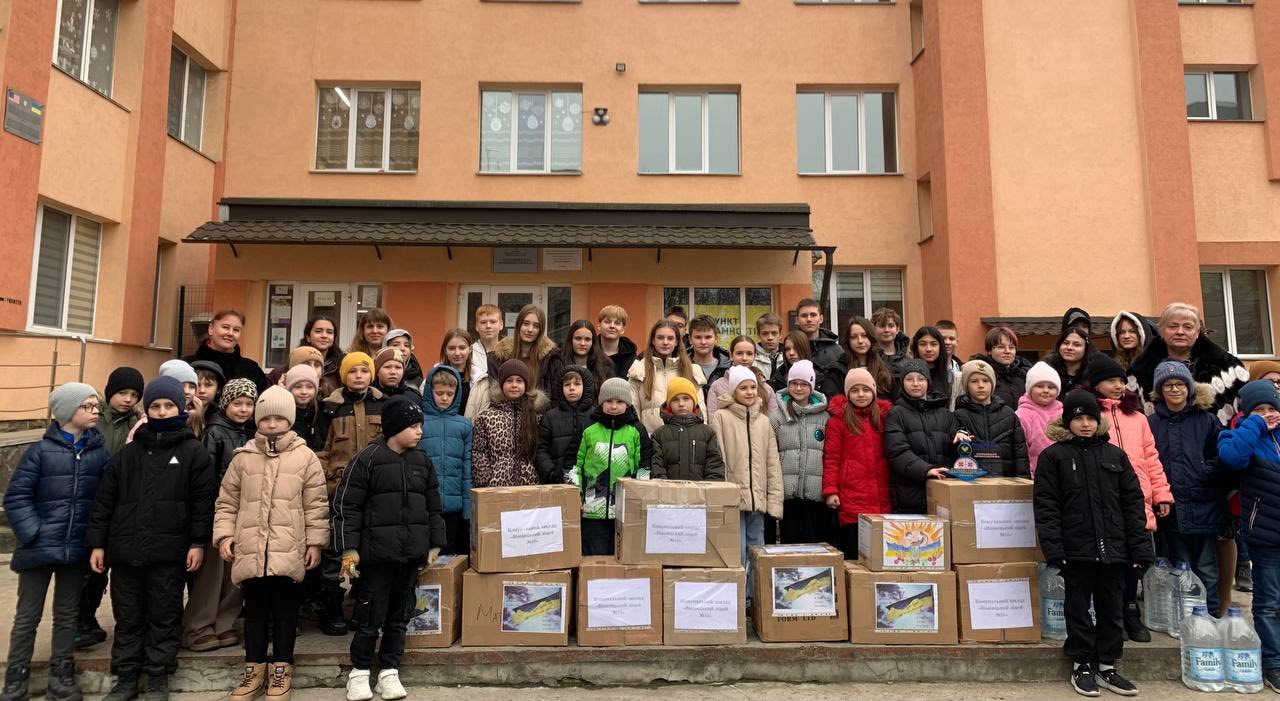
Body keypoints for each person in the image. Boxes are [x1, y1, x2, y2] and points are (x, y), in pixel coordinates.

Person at [87, 376, 216, 701]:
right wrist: (98, 543)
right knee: (128, 616)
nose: (161, 411)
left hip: (169, 553)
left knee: (164, 614)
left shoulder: (194, 453)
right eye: (155, 405)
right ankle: (126, 677)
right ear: (147, 409)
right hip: (126, 551)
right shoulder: (128, 454)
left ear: (180, 408)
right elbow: (105, 501)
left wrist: (197, 542)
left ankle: (158, 675)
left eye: (168, 405)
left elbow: (203, 504)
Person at [1034, 390, 1153, 698]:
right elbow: (1047, 507)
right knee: (1078, 610)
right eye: (1078, 419)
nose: (1085, 424)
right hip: (1076, 550)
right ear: (1067, 422)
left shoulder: (1115, 455)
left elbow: (1133, 504)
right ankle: (1082, 664)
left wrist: (1140, 548)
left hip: (1115, 549)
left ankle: (1108, 665)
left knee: (1112, 609)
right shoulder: (1054, 457)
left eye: (1090, 418)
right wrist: (1054, 549)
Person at [215, 386, 328, 701]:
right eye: (266, 419)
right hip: (251, 550)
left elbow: (316, 505)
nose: (272, 424)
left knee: (285, 614)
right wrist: (225, 535)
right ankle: (253, 669)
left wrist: (315, 543)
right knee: (254, 613)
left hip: (289, 551)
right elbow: (227, 502)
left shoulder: (305, 458)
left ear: (290, 420)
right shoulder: (243, 458)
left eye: (279, 418)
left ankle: (281, 669)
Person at [334, 396, 446, 701]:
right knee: (370, 616)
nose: (419, 431)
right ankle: (359, 673)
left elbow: (433, 506)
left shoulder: (421, 461)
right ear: (394, 427)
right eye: (413, 426)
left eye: (421, 425)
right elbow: (347, 507)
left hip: (409, 557)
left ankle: (389, 671)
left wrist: (434, 544)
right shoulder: (367, 459)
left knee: (400, 616)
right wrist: (349, 549)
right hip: (376, 558)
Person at [3, 383, 108, 701]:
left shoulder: (98, 453)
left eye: (96, 406)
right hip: (38, 549)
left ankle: (61, 676)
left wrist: (92, 538)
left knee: (66, 615)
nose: (95, 411)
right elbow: (16, 497)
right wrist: (34, 533)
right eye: (87, 406)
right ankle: (15, 679)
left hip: (76, 549)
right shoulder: (40, 452)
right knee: (27, 616)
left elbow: (104, 499)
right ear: (67, 411)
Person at [1090, 353, 1172, 642]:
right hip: (1105, 500)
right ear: (1096, 384)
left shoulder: (1138, 418)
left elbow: (1151, 458)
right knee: (1110, 562)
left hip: (1139, 499)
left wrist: (1161, 493)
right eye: (1111, 381)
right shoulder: (1091, 417)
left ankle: (1130, 609)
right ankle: (1111, 613)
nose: (1118, 386)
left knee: (1135, 560)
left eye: (1121, 381)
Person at [313, 351, 385, 636]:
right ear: (344, 376)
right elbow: (321, 452)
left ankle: (360, 608)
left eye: (364, 371)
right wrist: (325, 485)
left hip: (372, 492)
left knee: (366, 553)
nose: (359, 376)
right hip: (338, 492)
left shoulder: (382, 403)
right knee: (334, 552)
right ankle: (331, 609)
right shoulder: (330, 408)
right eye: (353, 371)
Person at [184, 379, 257, 652]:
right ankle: (198, 627)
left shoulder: (250, 433)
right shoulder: (214, 432)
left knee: (234, 574)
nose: (243, 409)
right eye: (237, 403)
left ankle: (224, 624)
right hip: (219, 513)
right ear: (226, 404)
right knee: (211, 577)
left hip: (243, 514)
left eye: (248, 404)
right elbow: (205, 478)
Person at [1149, 360, 1225, 616]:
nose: (1174, 389)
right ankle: (1183, 618)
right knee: (1180, 567)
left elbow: (1220, 455)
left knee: (1207, 567)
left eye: (1180, 384)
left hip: (1204, 504)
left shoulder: (1208, 420)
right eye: (1168, 385)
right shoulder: (1152, 423)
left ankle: (1211, 616)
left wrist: (1204, 471)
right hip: (1170, 509)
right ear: (1160, 391)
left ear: (1189, 388)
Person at [1218, 380, 1280, 692]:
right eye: (1259, 410)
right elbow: (1233, 458)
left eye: (1272, 408)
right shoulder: (1236, 435)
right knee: (1269, 603)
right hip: (1265, 534)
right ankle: (1274, 663)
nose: (1267, 414)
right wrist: (1254, 425)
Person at [80, 368, 143, 648]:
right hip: (90, 499)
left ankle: (88, 616)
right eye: (122, 393)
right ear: (110, 393)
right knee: (85, 567)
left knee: (102, 569)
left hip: (120, 505)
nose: (128, 399)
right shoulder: (95, 419)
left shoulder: (137, 423)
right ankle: (78, 618)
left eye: (134, 394)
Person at [710, 366, 782, 600]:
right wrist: (721, 493)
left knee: (756, 547)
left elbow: (772, 462)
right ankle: (737, 598)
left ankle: (754, 598)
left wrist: (774, 500)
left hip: (757, 497)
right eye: (743, 388)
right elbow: (718, 457)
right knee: (736, 549)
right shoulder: (721, 417)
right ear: (734, 391)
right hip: (732, 497)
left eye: (753, 387)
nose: (749, 392)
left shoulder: (764, 422)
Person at [1130, 302, 1249, 425]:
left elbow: (1246, 411)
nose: (1180, 332)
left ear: (1197, 333)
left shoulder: (1226, 366)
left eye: (1187, 327)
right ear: (1162, 331)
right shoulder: (1140, 369)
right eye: (1173, 326)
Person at [572, 378, 652, 556]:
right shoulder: (588, 429)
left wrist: (638, 497)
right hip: (592, 510)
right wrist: (576, 494)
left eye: (619, 402)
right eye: (608, 401)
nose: (613, 406)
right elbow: (573, 465)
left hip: (625, 510)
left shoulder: (637, 430)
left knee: (624, 559)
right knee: (595, 560)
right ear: (601, 402)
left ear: (628, 404)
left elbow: (644, 467)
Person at [822, 368, 892, 560]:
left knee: (881, 555)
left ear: (874, 392)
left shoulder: (885, 417)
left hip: (882, 496)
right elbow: (832, 458)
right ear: (847, 393)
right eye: (855, 390)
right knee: (854, 554)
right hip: (851, 497)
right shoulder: (838, 421)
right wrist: (831, 491)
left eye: (866, 389)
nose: (861, 394)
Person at [770, 360, 832, 544]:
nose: (798, 388)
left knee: (815, 542)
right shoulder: (777, 417)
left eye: (804, 384)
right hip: (788, 494)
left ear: (811, 386)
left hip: (816, 494)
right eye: (794, 383)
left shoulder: (824, 417)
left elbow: (829, 455)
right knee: (790, 543)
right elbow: (771, 455)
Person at [884, 359, 958, 515]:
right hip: (908, 492)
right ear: (902, 383)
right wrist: (926, 470)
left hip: (943, 488)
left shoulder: (945, 414)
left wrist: (961, 441)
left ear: (928, 382)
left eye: (921, 379)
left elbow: (954, 451)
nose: (915, 384)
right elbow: (897, 452)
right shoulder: (896, 413)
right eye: (909, 379)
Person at [419, 365, 473, 556]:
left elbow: (467, 468)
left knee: (451, 556)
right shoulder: (419, 423)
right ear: (429, 391)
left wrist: (468, 506)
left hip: (454, 507)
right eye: (439, 393)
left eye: (449, 394)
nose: (444, 398)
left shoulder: (464, 425)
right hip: (425, 506)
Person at [472, 360, 548, 487]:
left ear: (526, 384)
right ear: (502, 384)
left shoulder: (536, 418)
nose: (514, 385)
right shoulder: (486, 417)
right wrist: (486, 481)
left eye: (519, 381)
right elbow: (479, 452)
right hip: (497, 488)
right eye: (509, 381)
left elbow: (542, 453)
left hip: (530, 487)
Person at [628, 321, 708, 434]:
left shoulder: (691, 370)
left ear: (676, 342)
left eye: (670, 338)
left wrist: (701, 437)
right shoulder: (639, 371)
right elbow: (633, 411)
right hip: (649, 440)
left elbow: (700, 412)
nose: (665, 342)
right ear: (653, 340)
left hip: (685, 439)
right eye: (660, 338)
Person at [952, 360, 1028, 477]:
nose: (981, 385)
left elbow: (1020, 453)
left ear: (992, 383)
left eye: (986, 380)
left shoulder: (1008, 414)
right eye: (974, 381)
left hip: (1005, 482)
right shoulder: (958, 416)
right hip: (970, 482)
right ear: (966, 385)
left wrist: (1023, 480)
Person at [650, 377, 724, 481]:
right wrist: (665, 487)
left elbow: (715, 467)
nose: (681, 404)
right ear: (669, 404)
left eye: (686, 398)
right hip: (668, 491)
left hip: (701, 491)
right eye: (675, 399)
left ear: (694, 401)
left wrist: (708, 489)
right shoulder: (659, 435)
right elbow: (657, 468)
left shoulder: (708, 433)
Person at [536, 366, 597, 485]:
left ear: (586, 386)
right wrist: (551, 472)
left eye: (577, 384)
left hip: (590, 482)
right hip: (557, 482)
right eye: (567, 384)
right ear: (561, 388)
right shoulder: (550, 417)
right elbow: (541, 448)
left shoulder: (595, 416)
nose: (572, 388)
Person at [184, 309, 268, 392]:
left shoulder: (251, 369)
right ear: (211, 329)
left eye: (236, 330)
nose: (230, 333)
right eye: (225, 327)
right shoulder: (188, 365)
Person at [491, 305, 563, 396]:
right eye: (526, 324)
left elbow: (556, 396)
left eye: (536, 326)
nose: (530, 329)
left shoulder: (552, 360)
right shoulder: (498, 358)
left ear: (541, 330)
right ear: (518, 325)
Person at [819, 317, 893, 402]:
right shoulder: (837, 371)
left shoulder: (885, 366)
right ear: (848, 340)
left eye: (864, 336)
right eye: (854, 337)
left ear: (871, 337)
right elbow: (833, 402)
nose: (860, 341)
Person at [706, 335, 779, 416]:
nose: (744, 358)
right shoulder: (717, 386)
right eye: (739, 353)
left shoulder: (766, 388)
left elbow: (773, 420)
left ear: (755, 356)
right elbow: (713, 420)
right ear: (731, 356)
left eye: (749, 354)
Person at [1016, 362, 1063, 476]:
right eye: (1040, 386)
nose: (1046, 390)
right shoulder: (1021, 415)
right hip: (1036, 475)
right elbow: (1021, 451)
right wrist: (1029, 474)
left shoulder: (1063, 414)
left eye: (1051, 387)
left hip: (1064, 475)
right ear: (1030, 389)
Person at [970, 326, 1032, 407]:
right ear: (989, 350)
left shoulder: (1025, 374)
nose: (1007, 351)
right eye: (1001, 347)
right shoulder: (980, 375)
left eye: (1011, 347)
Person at [908, 326, 960, 407]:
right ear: (916, 347)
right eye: (923, 344)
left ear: (940, 346)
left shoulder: (951, 376)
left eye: (933, 344)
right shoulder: (907, 375)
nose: (928, 349)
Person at [688, 315, 732, 403]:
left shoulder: (729, 367)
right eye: (698, 337)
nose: (703, 342)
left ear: (716, 339)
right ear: (690, 340)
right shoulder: (681, 366)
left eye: (708, 337)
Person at [561, 320, 614, 391]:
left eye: (587, 339)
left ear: (593, 342)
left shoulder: (604, 365)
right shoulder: (559, 363)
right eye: (578, 338)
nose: (582, 343)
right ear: (571, 340)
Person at [795, 299, 842, 378]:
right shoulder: (790, 349)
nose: (809, 319)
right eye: (804, 316)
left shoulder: (836, 351)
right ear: (797, 320)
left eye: (813, 315)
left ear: (821, 319)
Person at [1044, 327, 1094, 396]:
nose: (1069, 347)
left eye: (1076, 345)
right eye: (1065, 343)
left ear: (1086, 349)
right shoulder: (1046, 370)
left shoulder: (1095, 373)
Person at [438, 328, 476, 413]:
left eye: (462, 348)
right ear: (445, 350)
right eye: (451, 348)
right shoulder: (434, 375)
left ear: (470, 349)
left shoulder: (479, 379)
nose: (457, 353)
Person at [285, 365, 322, 450]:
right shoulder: (283, 414)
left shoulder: (321, 412)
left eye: (309, 387)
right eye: (298, 387)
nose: (304, 392)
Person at [598, 305, 638, 381]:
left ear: (622, 330)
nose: (612, 326)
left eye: (617, 323)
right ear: (599, 326)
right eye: (607, 322)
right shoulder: (590, 353)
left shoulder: (631, 359)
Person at [469, 304, 503, 386]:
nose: (488, 326)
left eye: (493, 322)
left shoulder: (511, 353)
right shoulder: (469, 353)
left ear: (501, 324)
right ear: (476, 326)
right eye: (483, 322)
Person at [872, 307, 910, 376]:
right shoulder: (869, 358)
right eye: (882, 326)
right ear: (874, 328)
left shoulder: (908, 362)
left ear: (897, 329)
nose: (886, 330)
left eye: (891, 326)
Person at [753, 313, 785, 384]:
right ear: (758, 335)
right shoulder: (751, 358)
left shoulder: (789, 358)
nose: (770, 338)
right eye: (765, 333)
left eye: (774, 333)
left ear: (780, 335)